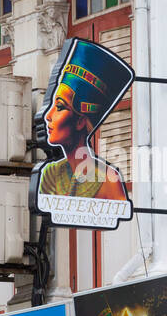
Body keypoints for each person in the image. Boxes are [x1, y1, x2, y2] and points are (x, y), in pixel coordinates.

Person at [38, 38, 133, 205]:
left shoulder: (109, 181)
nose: (48, 115)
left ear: (80, 121)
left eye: (59, 107)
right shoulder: (50, 173)